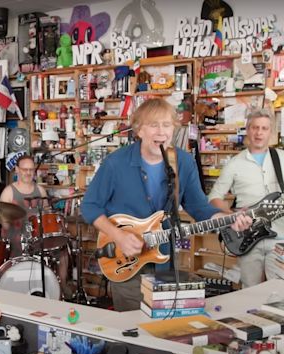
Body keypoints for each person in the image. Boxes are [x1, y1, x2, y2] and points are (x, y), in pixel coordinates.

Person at [81, 98, 252, 312]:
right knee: (133, 328)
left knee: (164, 322)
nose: (161, 132)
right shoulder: (116, 163)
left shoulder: (183, 162)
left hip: (165, 259)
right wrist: (119, 236)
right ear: (139, 130)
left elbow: (199, 207)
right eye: (153, 125)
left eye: (166, 125)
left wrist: (227, 220)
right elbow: (90, 206)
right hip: (125, 260)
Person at [209, 108, 284, 287]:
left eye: (264, 128)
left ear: (271, 131)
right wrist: (232, 214)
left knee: (280, 295)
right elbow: (214, 197)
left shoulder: (281, 158)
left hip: (280, 239)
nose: (259, 133)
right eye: (255, 127)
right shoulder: (234, 164)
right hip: (249, 239)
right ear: (248, 129)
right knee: (250, 293)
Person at [0, 155, 71, 298]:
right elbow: (2, 220)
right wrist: (6, 220)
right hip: (17, 236)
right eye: (24, 169)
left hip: (37, 234)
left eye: (31, 169)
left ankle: (60, 285)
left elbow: (47, 214)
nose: (28, 173)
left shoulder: (40, 190)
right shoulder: (9, 192)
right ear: (17, 170)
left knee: (62, 249)